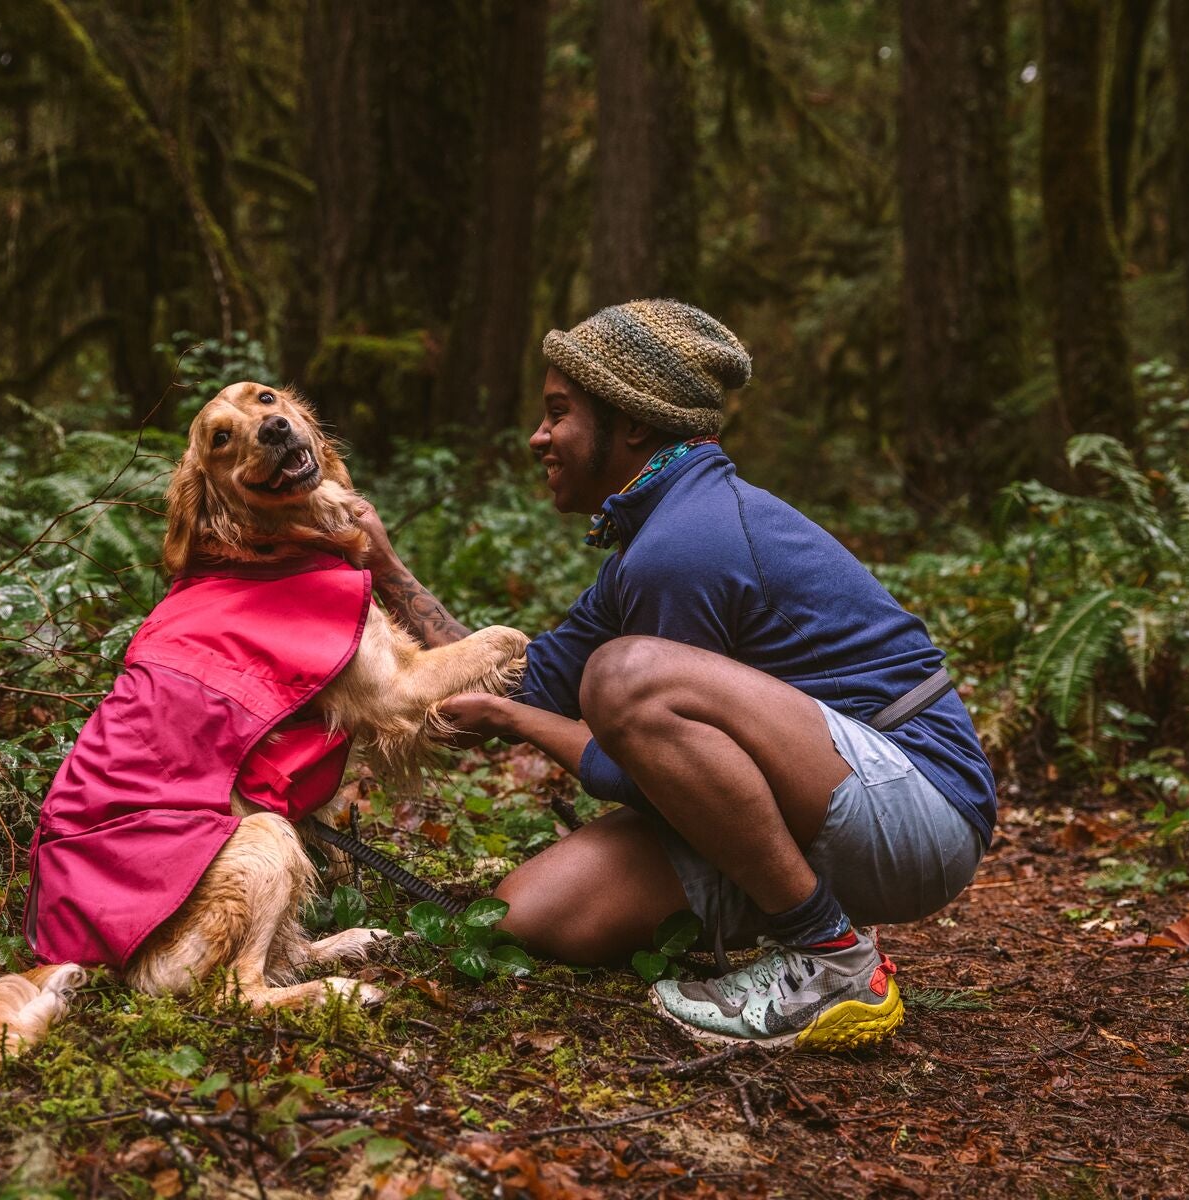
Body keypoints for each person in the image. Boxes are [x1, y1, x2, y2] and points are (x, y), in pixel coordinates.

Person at [355, 299, 995, 1050]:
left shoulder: (688, 543)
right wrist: (384, 570)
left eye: (558, 412)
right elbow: (520, 681)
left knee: (626, 676)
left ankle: (830, 958)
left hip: (918, 805)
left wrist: (519, 725)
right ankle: (803, 918)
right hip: (824, 807)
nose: (539, 437)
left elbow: (634, 760)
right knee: (530, 912)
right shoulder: (654, 539)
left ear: (630, 422)